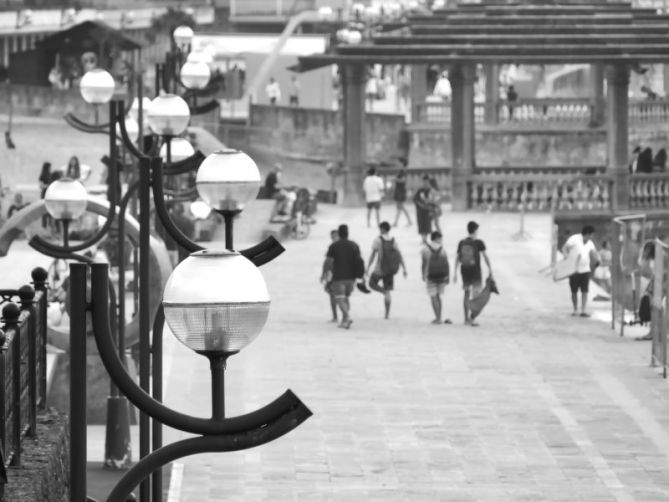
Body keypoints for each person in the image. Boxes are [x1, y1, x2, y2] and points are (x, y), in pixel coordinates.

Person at [323, 224, 364, 329]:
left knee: (339, 299)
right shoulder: (354, 245)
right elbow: (359, 261)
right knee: (345, 298)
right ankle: (344, 321)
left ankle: (347, 317)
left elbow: (328, 261)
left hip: (338, 277)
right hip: (351, 278)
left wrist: (325, 273)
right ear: (347, 233)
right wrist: (361, 275)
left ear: (339, 234)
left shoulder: (334, 246)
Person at [454, 221, 493, 326]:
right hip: (476, 272)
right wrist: (490, 270)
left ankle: (466, 319)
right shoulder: (479, 243)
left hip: (465, 271)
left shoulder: (462, 242)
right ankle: (473, 318)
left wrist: (455, 273)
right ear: (475, 230)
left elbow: (458, 258)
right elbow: (485, 257)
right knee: (476, 296)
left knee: (466, 294)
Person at [366, 221, 407, 319]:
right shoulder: (393, 240)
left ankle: (383, 292)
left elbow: (373, 254)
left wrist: (367, 267)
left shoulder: (378, 240)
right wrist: (404, 268)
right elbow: (399, 255)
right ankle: (387, 314)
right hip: (390, 269)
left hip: (379, 269)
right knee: (388, 292)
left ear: (382, 229)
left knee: (372, 283)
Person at [562, 225, 597, 317]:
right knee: (574, 291)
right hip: (574, 270)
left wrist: (597, 261)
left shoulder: (590, 243)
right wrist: (566, 255)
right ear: (588, 234)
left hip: (585, 270)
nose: (592, 237)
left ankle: (583, 310)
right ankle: (575, 309)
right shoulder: (574, 239)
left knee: (585, 291)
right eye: (592, 235)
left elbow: (594, 253)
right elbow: (564, 248)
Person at [421, 231, 452, 325]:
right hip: (442, 275)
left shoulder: (425, 249)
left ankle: (437, 318)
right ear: (437, 238)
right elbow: (447, 263)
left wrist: (423, 274)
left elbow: (423, 263)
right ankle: (439, 317)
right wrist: (448, 276)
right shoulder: (442, 249)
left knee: (433, 296)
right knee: (438, 296)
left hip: (430, 275)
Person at [321, 230, 340, 322]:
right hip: (339, 274)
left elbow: (327, 261)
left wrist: (323, 274)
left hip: (334, 274)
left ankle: (336, 316)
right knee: (337, 295)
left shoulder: (332, 247)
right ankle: (340, 316)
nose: (334, 238)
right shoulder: (344, 245)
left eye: (335, 236)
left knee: (333, 295)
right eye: (332, 237)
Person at [413, 175, 434, 243]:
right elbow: (415, 199)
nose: (425, 183)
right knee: (421, 224)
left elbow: (434, 200)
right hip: (420, 210)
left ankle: (426, 238)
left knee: (427, 224)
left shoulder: (431, 190)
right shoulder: (420, 190)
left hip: (428, 210)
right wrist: (420, 204)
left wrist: (431, 207)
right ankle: (423, 239)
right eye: (424, 181)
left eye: (426, 181)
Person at [38, 162, 52, 229]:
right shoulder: (42, 176)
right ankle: (44, 226)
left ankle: (50, 225)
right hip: (44, 193)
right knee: (44, 210)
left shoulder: (50, 175)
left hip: (50, 193)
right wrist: (47, 186)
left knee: (50, 210)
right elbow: (41, 185)